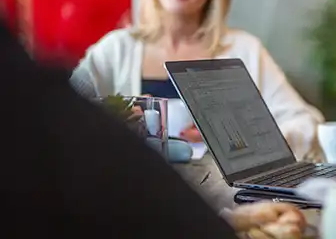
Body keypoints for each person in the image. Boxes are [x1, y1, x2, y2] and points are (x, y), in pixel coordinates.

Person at [70, 0, 323, 157]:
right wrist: (115, 119)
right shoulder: (117, 50)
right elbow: (59, 116)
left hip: (221, 199)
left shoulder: (243, 50)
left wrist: (244, 139)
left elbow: (306, 124)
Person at [0, 21, 238, 238]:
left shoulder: (240, 47)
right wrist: (118, 109)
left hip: (203, 183)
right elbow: (72, 101)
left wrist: (226, 128)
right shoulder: (117, 47)